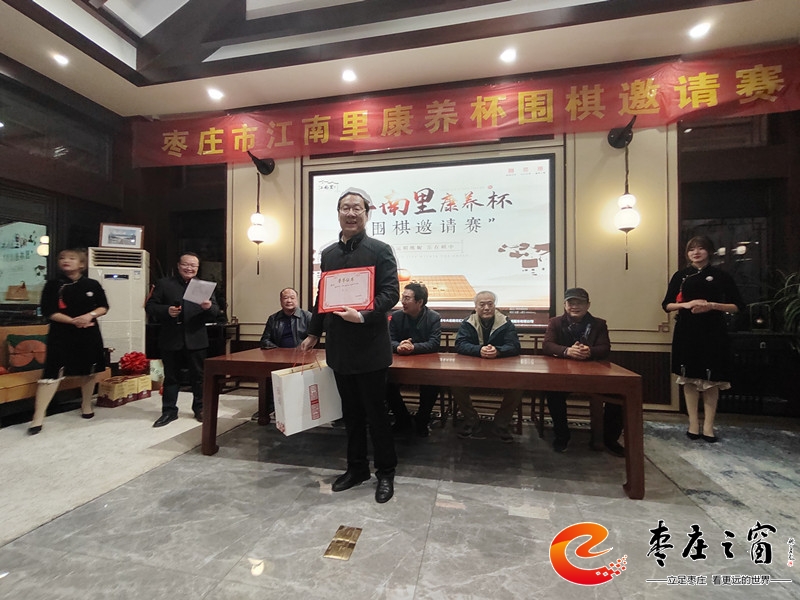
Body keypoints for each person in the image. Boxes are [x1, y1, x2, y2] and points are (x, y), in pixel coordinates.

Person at [299, 187, 399, 504]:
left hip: (370, 348)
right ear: (338, 213)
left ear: (366, 213)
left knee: (377, 415)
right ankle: (356, 469)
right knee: (350, 415)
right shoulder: (329, 254)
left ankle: (386, 473)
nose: (351, 213)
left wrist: (364, 315)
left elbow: (391, 293)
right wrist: (313, 332)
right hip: (340, 347)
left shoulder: (380, 250)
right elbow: (322, 296)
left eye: (357, 208)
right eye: (345, 207)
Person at [662, 235, 744, 443]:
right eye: (691, 249)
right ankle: (693, 424)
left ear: (709, 251)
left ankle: (708, 426)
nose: (696, 252)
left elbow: (737, 306)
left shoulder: (721, 275)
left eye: (700, 248)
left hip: (713, 331)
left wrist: (712, 305)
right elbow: (667, 305)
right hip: (686, 331)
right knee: (688, 378)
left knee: (711, 380)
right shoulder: (681, 276)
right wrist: (686, 305)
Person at [28, 248, 109, 435]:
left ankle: (86, 404)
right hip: (61, 333)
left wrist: (89, 315)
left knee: (89, 369)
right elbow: (49, 311)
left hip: (88, 332)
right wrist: (73, 321)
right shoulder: (53, 285)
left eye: (72, 258)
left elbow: (104, 306)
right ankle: (38, 417)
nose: (66, 260)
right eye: (62, 258)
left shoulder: (92, 284)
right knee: (52, 372)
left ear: (81, 264)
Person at [542, 287, 623, 456]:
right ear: (565, 305)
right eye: (571, 302)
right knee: (553, 393)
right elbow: (548, 345)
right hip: (564, 374)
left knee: (619, 394)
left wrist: (588, 351)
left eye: (579, 303)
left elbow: (605, 348)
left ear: (588, 305)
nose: (575, 306)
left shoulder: (599, 324)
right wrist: (567, 351)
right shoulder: (555, 322)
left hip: (594, 375)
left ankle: (608, 439)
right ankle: (562, 436)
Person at [146, 252, 220, 427]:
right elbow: (150, 306)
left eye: (193, 265)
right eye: (186, 264)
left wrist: (209, 307)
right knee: (171, 377)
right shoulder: (165, 284)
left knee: (199, 377)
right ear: (178, 266)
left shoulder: (203, 286)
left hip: (196, 338)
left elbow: (216, 311)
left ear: (197, 268)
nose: (189, 268)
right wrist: (167, 311)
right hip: (171, 338)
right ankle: (169, 411)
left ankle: (200, 408)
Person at [452, 290, 523, 443]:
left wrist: (498, 351)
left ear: (495, 306)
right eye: (482, 304)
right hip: (473, 371)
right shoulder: (468, 322)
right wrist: (479, 350)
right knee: (455, 384)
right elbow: (460, 344)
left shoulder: (505, 322)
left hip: (501, 372)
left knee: (517, 387)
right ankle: (471, 420)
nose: (486, 308)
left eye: (490, 304)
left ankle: (501, 424)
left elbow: (514, 346)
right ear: (475, 307)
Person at [387, 282, 441, 437]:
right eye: (402, 297)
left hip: (426, 365)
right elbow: (389, 340)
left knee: (432, 384)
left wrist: (413, 348)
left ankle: (422, 421)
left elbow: (434, 343)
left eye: (407, 298)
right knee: (385, 383)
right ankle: (402, 419)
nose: (403, 301)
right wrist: (399, 346)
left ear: (420, 302)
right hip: (399, 364)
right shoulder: (396, 317)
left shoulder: (433, 317)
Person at [251, 287, 311, 421]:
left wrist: (301, 350)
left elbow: (314, 338)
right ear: (280, 300)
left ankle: (301, 411)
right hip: (278, 358)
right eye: (285, 298)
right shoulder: (273, 318)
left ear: (297, 300)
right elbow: (264, 340)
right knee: (265, 373)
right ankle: (267, 408)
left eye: (292, 297)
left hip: (302, 359)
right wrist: (279, 352)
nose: (289, 300)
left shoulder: (307, 316)